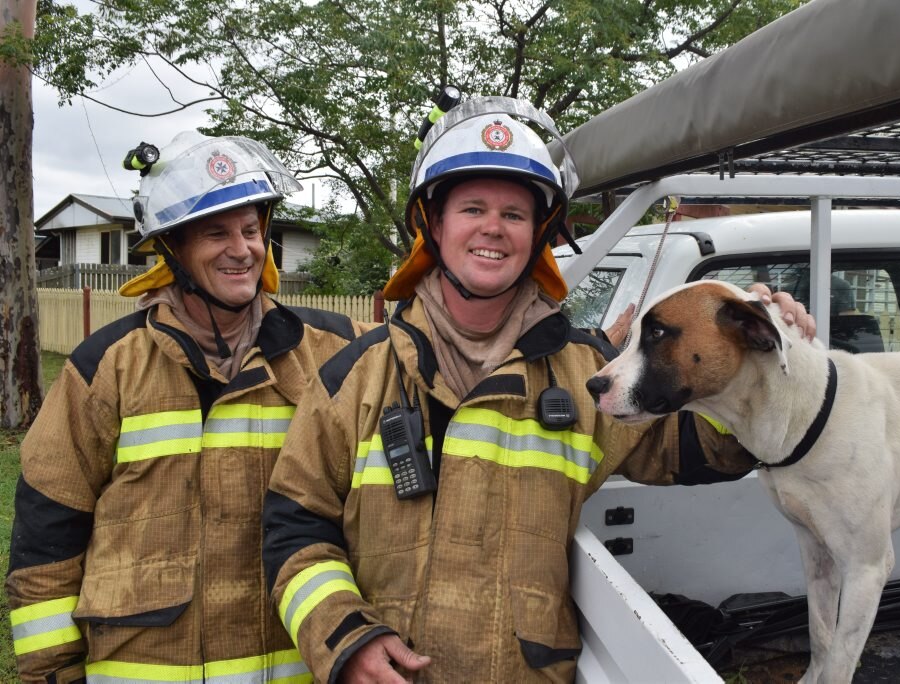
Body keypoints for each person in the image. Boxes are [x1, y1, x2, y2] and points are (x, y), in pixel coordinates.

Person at [261, 97, 814, 682]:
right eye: (472, 207)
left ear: (540, 234)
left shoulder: (589, 374)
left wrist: (762, 360)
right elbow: (295, 525)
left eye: (515, 214)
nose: (493, 228)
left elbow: (715, 448)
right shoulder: (355, 375)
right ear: (433, 225)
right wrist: (346, 639)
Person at [6, 132, 368, 682]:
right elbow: (46, 534)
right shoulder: (107, 367)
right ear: (172, 248)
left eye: (251, 230)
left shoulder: (331, 351)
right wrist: (53, 672)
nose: (242, 248)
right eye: (215, 232)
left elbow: (429, 350)